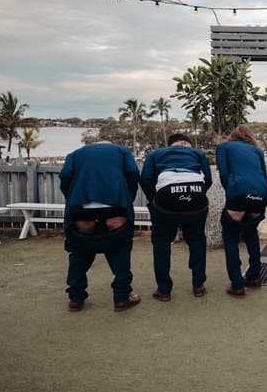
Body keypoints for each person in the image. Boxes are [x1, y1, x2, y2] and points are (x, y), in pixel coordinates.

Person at [60, 141, 141, 312]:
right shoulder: (122, 151)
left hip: (81, 204)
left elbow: (66, 175)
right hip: (116, 203)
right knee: (120, 248)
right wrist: (127, 197)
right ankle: (121, 297)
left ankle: (75, 298)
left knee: (80, 250)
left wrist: (73, 196)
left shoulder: (75, 153)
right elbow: (133, 172)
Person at [140, 133, 212, 301]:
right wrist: (197, 194)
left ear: (170, 144)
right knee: (197, 240)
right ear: (187, 143)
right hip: (196, 194)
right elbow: (207, 179)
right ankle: (198, 285)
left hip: (166, 197)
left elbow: (145, 180)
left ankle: (164, 290)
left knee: (161, 242)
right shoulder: (198, 153)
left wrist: (155, 201)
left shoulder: (155, 154)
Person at [216, 125, 267, 298]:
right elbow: (264, 175)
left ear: (232, 136)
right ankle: (254, 277)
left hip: (238, 192)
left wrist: (232, 191)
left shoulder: (223, 147)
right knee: (251, 233)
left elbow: (224, 174)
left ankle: (237, 285)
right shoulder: (257, 151)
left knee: (231, 238)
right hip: (261, 193)